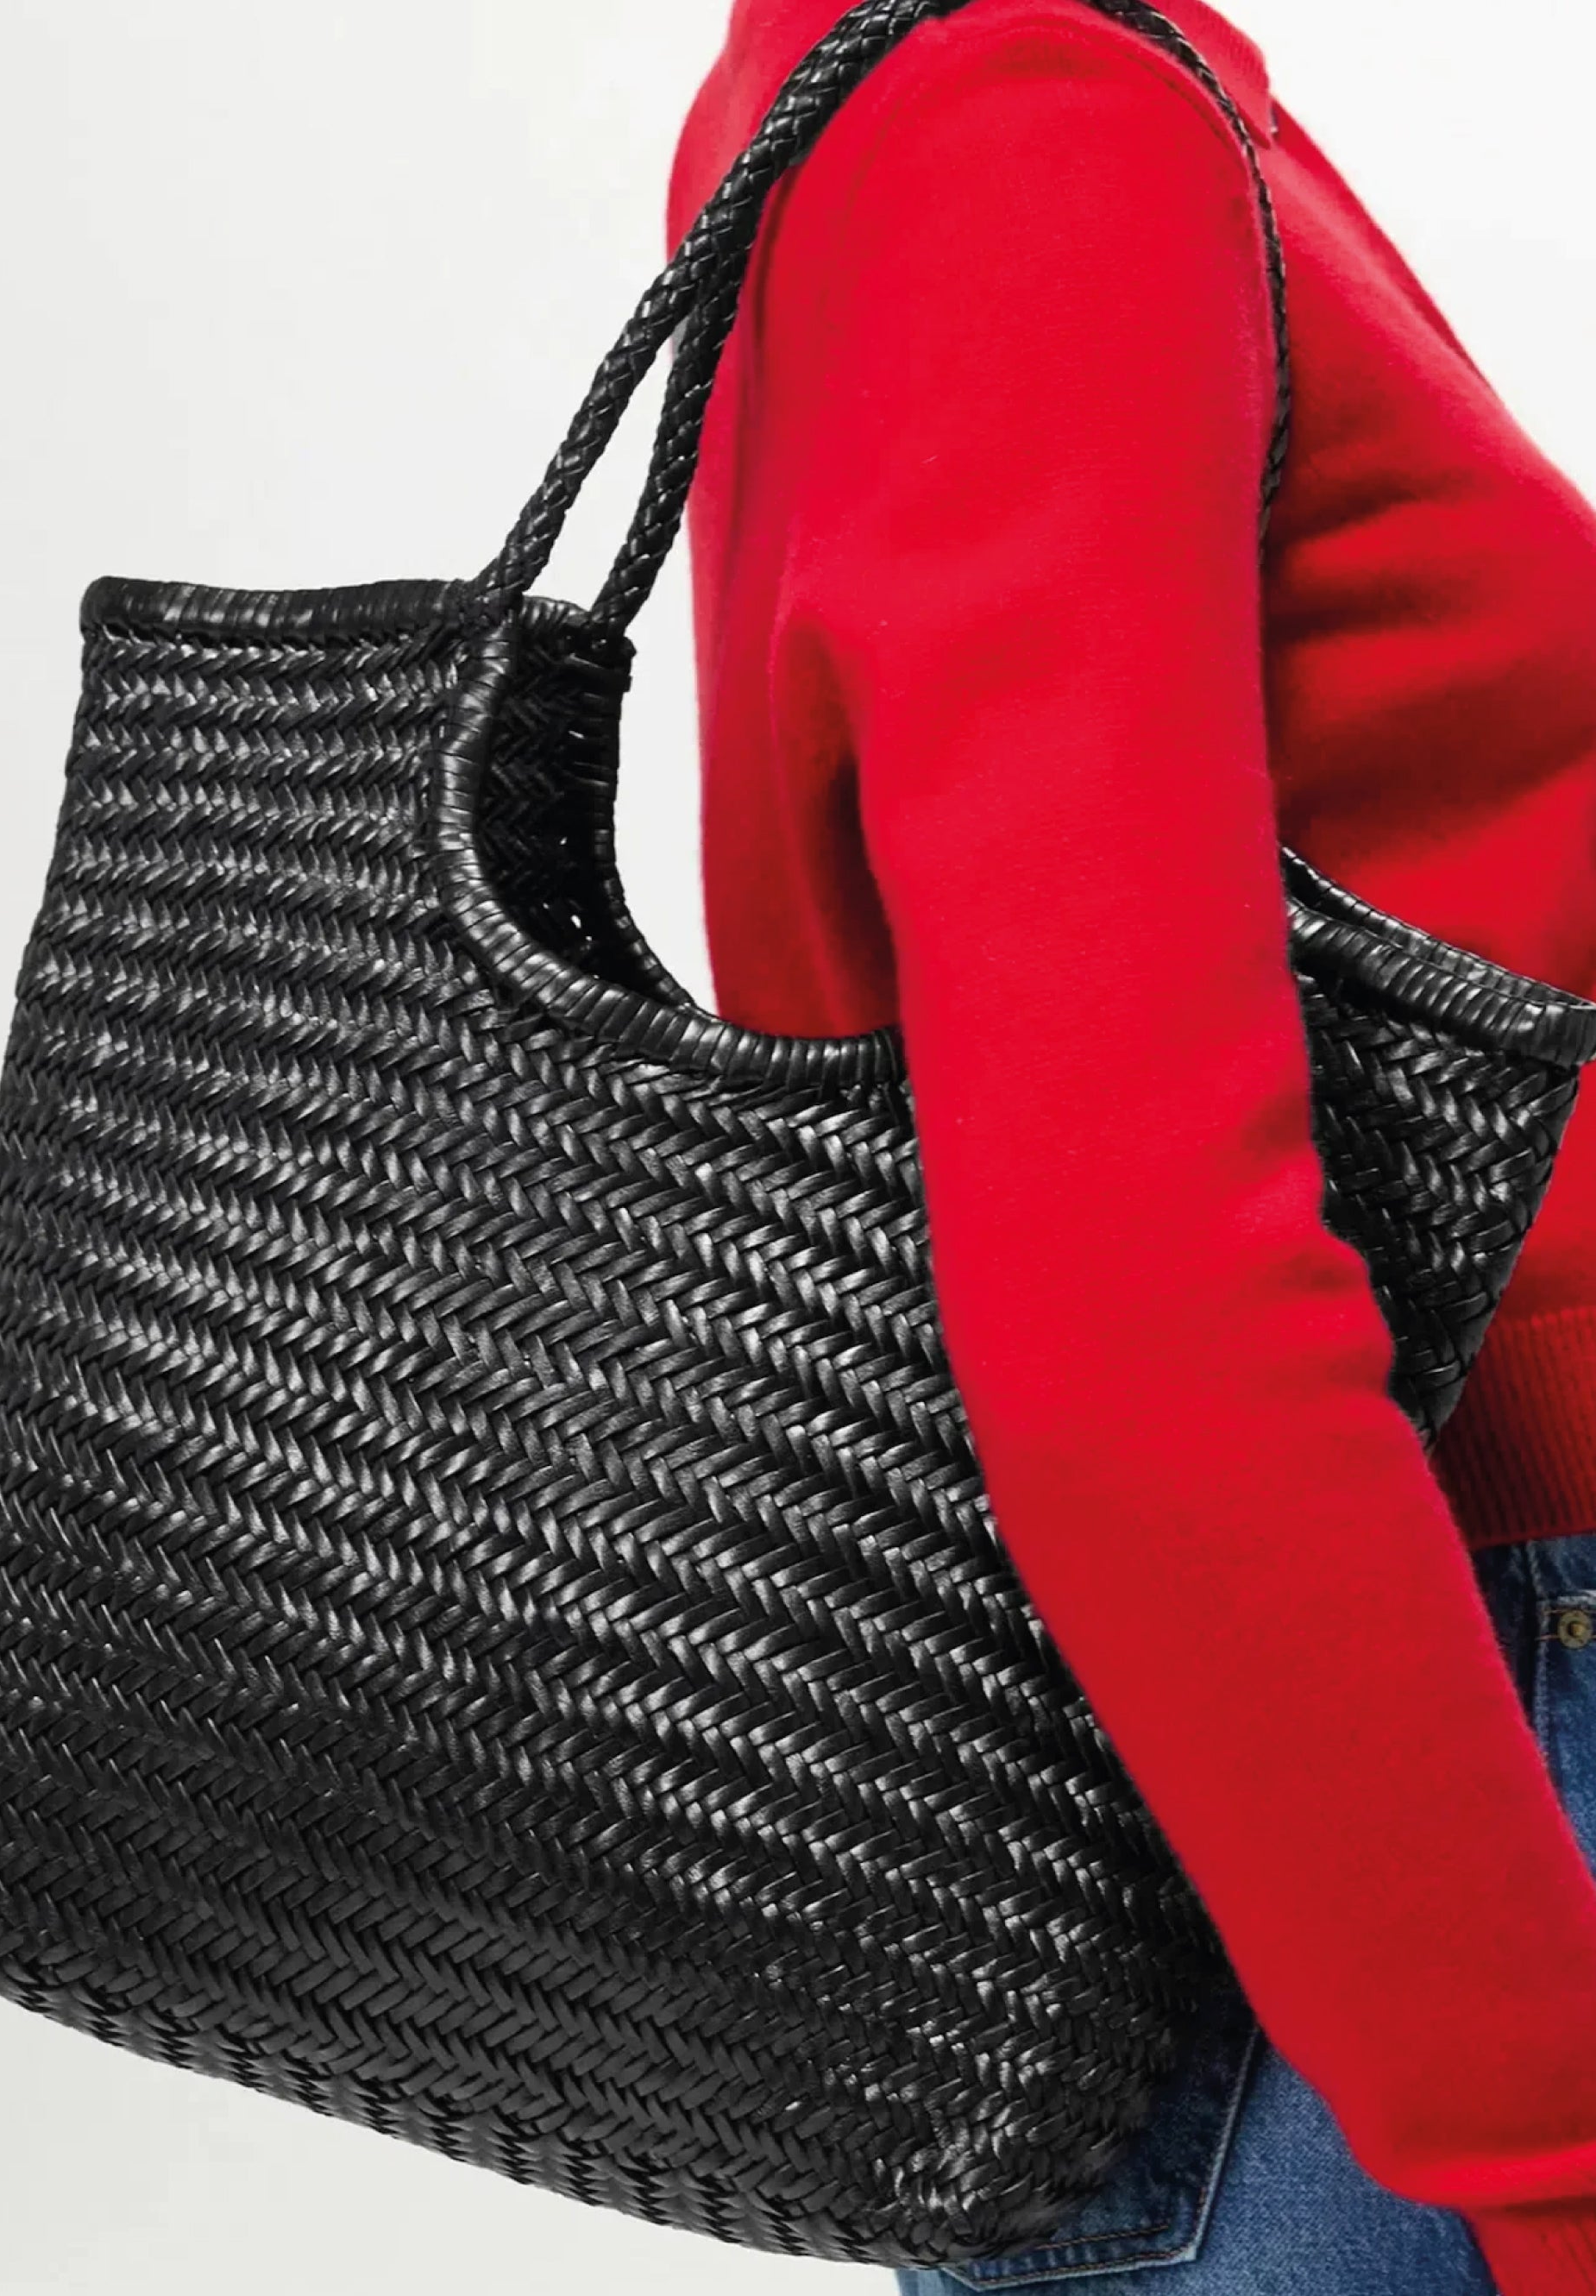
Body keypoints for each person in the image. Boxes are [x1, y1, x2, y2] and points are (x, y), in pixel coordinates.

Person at [665, 3, 1596, 2292]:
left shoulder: (950, 83)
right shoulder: (1031, 123)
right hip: (1406, 1794)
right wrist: (1556, 2155)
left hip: (1273, 1820)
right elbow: (1132, 1307)